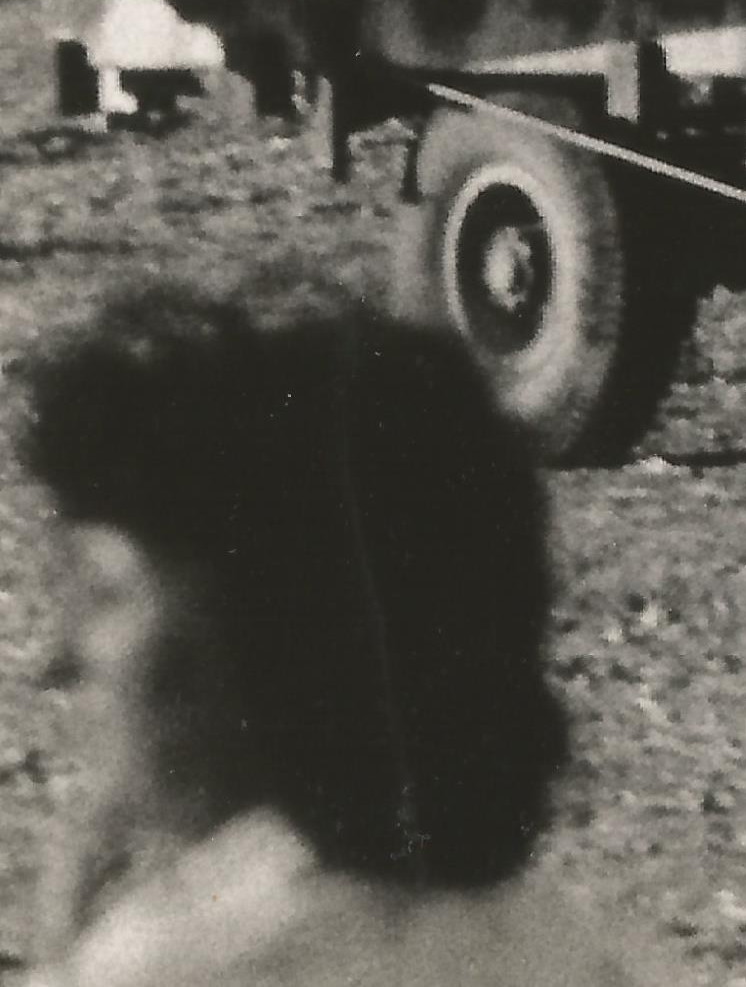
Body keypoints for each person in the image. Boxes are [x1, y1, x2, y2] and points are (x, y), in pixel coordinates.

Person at [21, 281, 657, 987]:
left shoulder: (183, 965)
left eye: (109, 593)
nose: (59, 658)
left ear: (272, 633)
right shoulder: (579, 953)